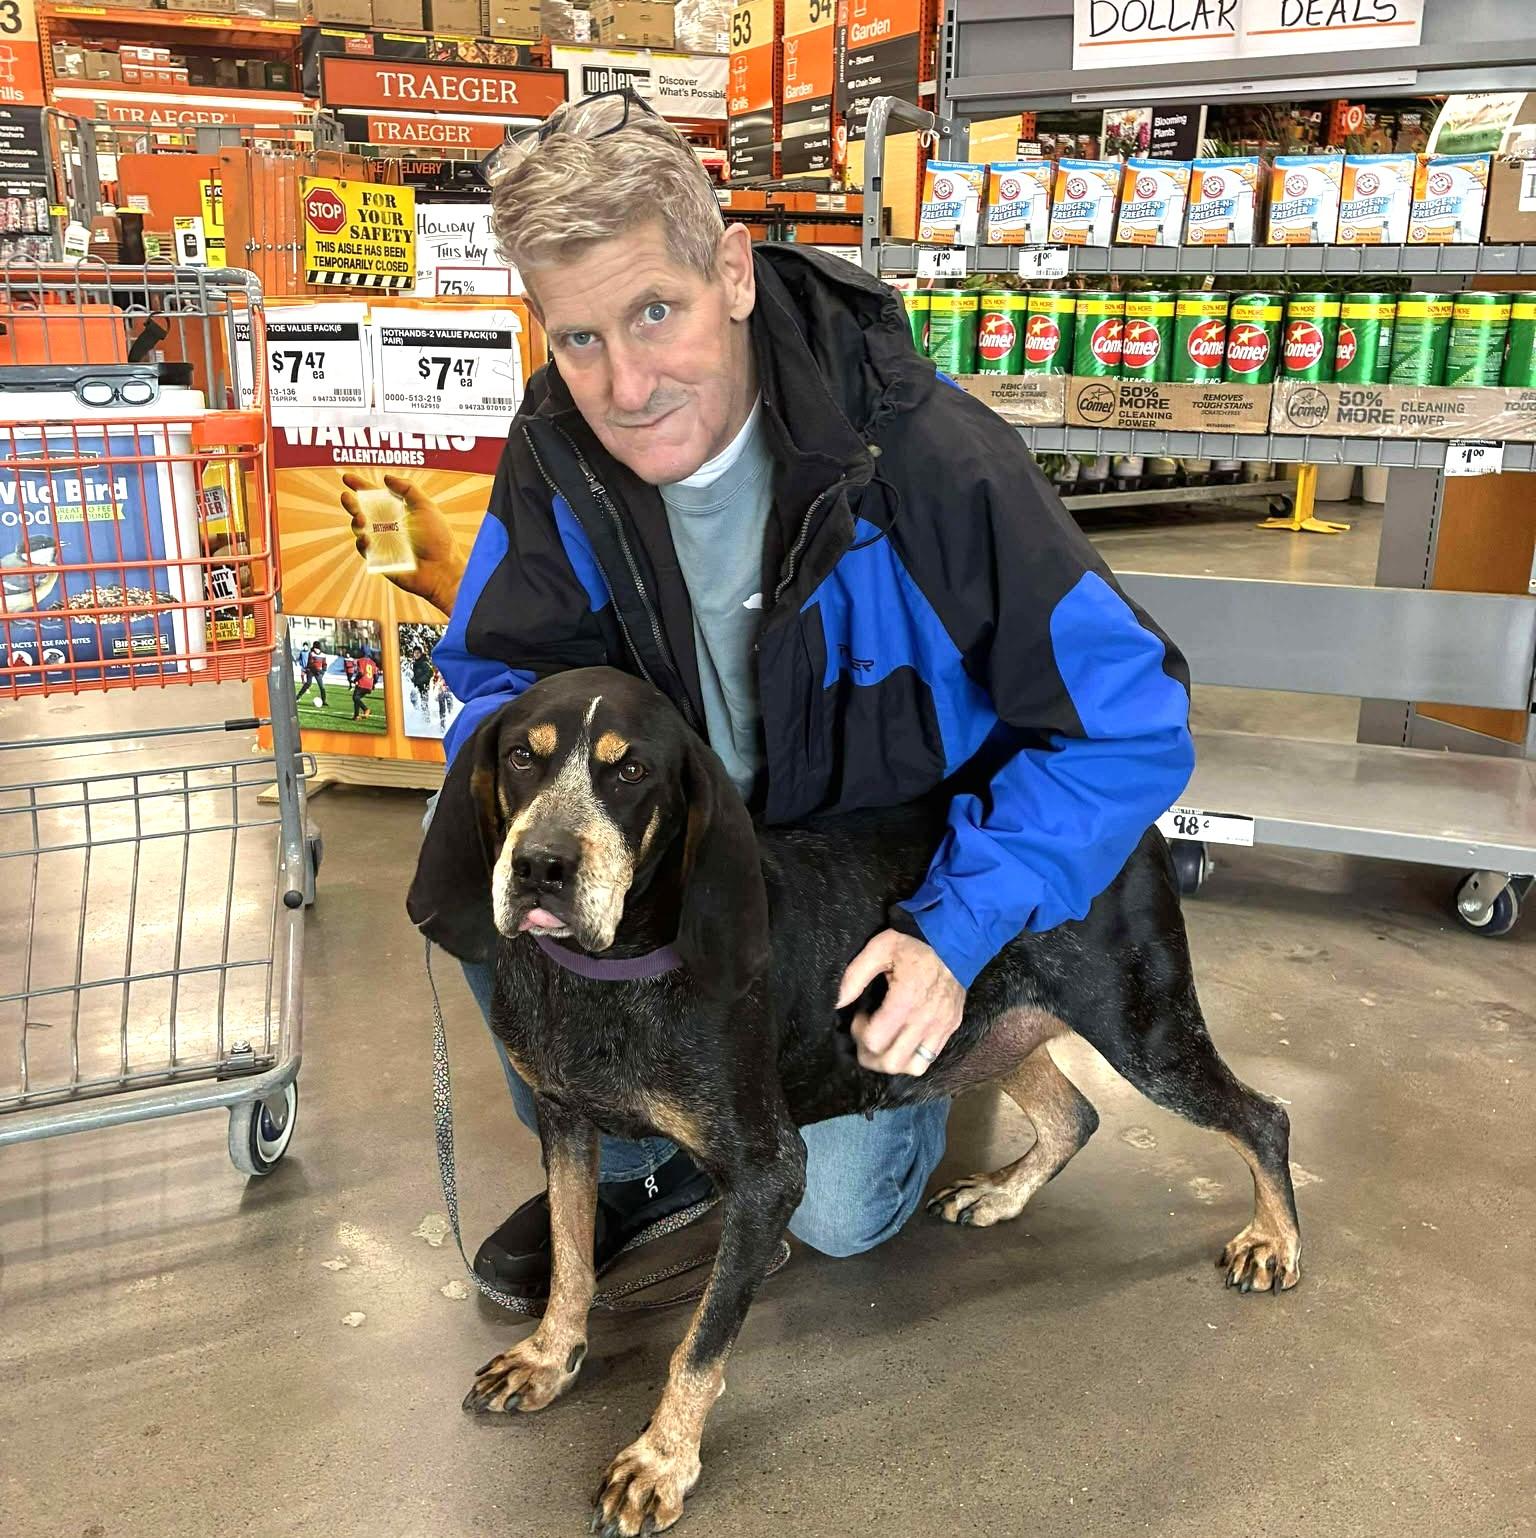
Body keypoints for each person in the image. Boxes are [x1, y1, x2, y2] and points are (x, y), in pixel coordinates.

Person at [427, 90, 1194, 1296]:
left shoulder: (928, 461)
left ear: (732, 271)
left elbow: (1131, 723)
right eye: (578, 338)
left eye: (655, 312)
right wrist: (556, 808)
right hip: (689, 860)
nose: (625, 384)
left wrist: (955, 929)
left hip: (879, 888)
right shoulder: (556, 457)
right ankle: (643, 1149)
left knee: (836, 1214)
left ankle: (901, 1077)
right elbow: (494, 677)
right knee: (486, 836)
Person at [295, 638, 327, 707]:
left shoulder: (323, 655)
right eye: (314, 648)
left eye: (316, 648)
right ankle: (297, 697)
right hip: (310, 670)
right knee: (308, 683)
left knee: (321, 686)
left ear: (319, 648)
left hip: (318, 672)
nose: (315, 649)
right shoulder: (311, 654)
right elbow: (311, 663)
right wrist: (317, 670)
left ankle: (324, 701)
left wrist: (323, 671)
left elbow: (324, 664)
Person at [351, 649, 378, 721]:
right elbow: (376, 676)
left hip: (362, 683)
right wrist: (373, 684)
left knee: (355, 698)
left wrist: (355, 680)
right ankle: (356, 716)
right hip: (369, 685)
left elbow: (361, 673)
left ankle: (366, 709)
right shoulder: (373, 663)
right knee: (357, 698)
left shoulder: (361, 660)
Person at [409, 644, 434, 711]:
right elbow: (414, 675)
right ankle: (417, 714)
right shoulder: (414, 664)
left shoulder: (424, 663)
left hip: (424, 687)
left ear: (421, 653)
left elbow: (430, 673)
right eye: (415, 653)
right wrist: (413, 679)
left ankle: (426, 720)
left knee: (424, 705)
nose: (416, 654)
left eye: (418, 653)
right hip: (417, 687)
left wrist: (420, 681)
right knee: (413, 699)